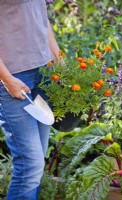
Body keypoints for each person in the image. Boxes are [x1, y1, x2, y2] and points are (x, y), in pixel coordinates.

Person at [0, 0, 60, 199]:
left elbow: (40, 12)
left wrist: (58, 58)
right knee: (30, 165)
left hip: (42, 71)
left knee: (36, 162)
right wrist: (7, 79)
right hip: (13, 77)